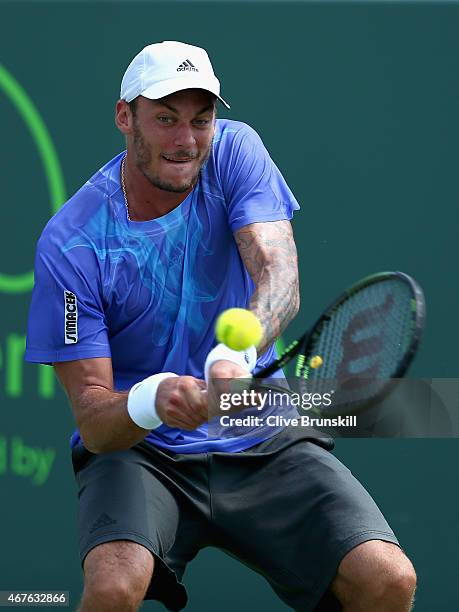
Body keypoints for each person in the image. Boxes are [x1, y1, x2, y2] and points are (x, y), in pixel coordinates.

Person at [25, 41, 416, 612]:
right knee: (112, 589)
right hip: (142, 452)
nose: (186, 141)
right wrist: (156, 398)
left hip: (260, 426)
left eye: (200, 119)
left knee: (387, 578)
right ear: (123, 116)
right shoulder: (71, 244)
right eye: (164, 118)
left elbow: (277, 272)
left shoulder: (236, 152)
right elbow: (95, 419)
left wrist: (234, 356)